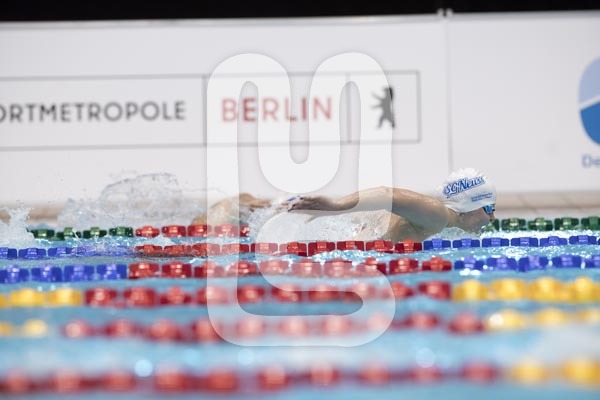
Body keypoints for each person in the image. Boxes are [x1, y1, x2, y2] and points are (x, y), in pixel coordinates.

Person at [193, 168, 496, 242]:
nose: (492, 217)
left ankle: (246, 204)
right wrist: (337, 206)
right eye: (489, 209)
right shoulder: (438, 215)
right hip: (336, 227)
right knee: (260, 211)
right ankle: (240, 204)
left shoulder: (442, 225)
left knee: (269, 210)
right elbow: (387, 193)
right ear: (472, 206)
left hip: (344, 230)